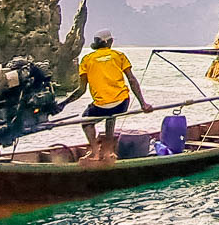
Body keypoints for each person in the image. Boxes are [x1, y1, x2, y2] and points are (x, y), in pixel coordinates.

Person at [59, 30, 151, 161]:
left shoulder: (87, 59)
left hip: (101, 106)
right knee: (111, 117)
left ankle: (96, 152)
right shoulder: (119, 55)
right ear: (109, 42)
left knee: (86, 121)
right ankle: (108, 151)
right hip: (122, 102)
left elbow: (81, 90)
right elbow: (132, 80)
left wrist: (64, 103)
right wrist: (143, 104)